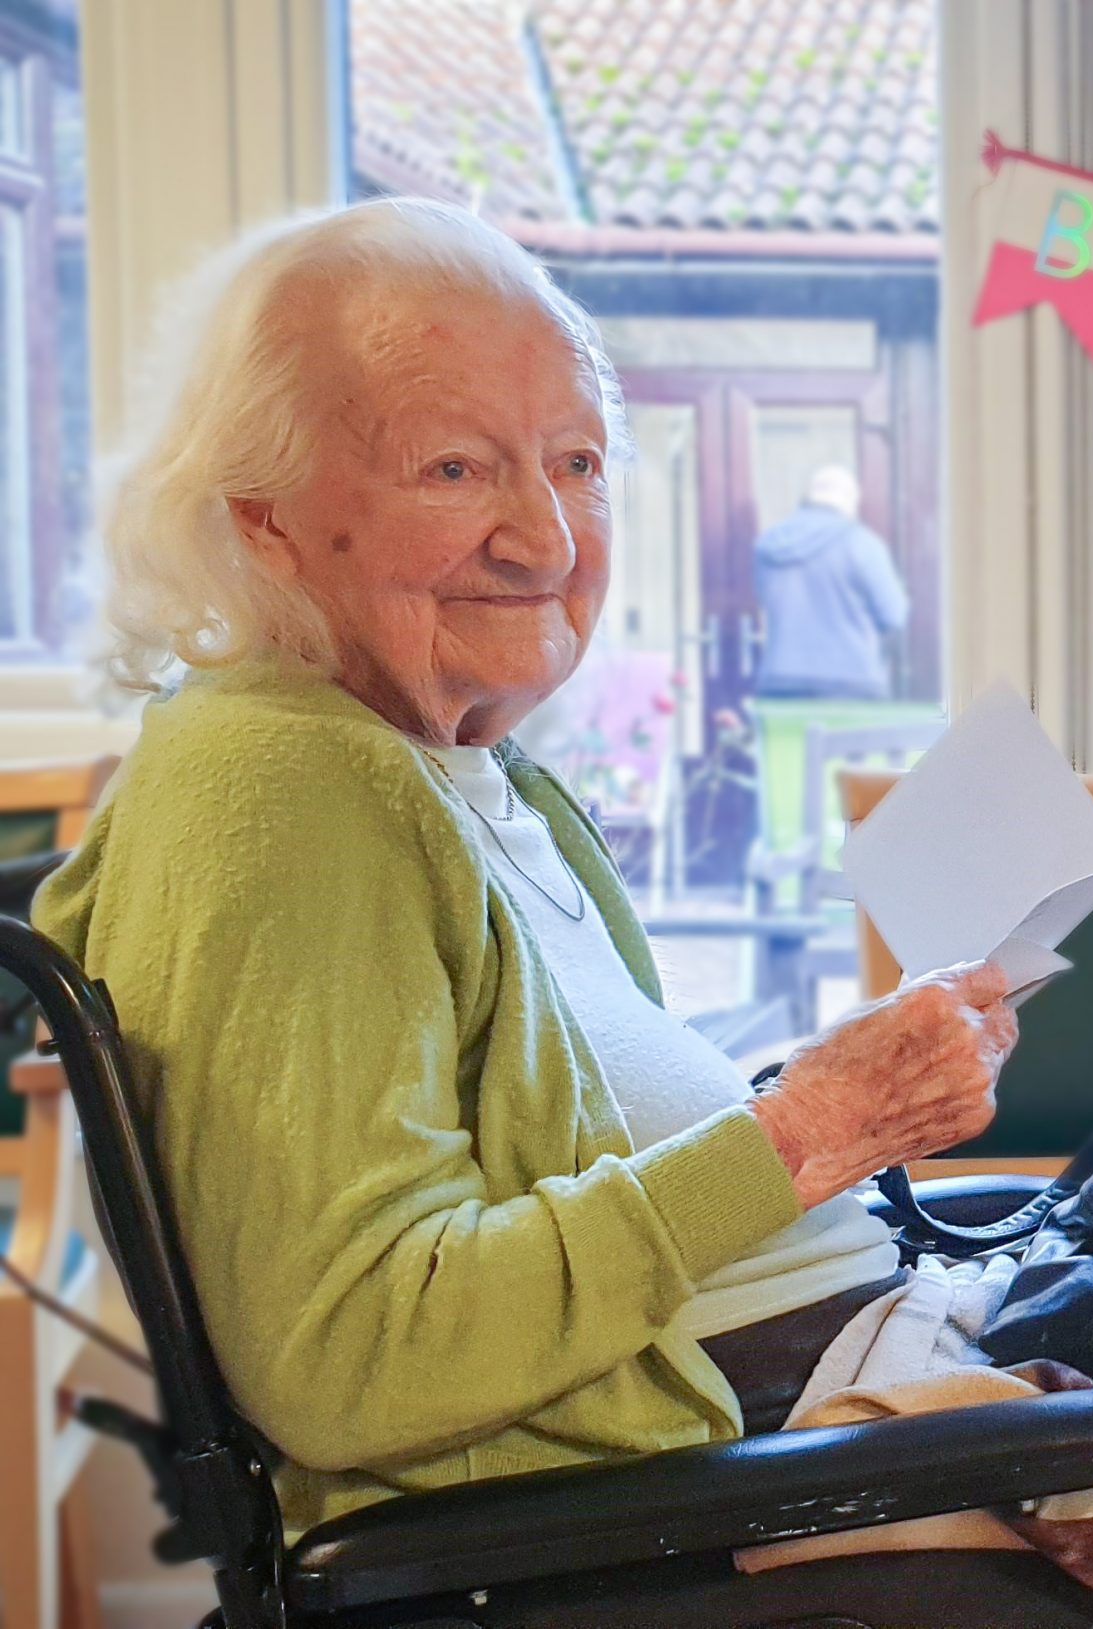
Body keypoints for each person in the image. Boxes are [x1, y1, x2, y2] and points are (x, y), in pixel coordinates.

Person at [36, 197, 1016, 1534]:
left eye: (576, 463)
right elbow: (353, 1353)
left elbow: (569, 1152)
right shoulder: (285, 787)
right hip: (738, 1503)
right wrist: (812, 1130)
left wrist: (823, 1095)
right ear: (261, 515)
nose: (548, 542)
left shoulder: (473, 772)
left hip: (857, 1394)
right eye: (455, 469)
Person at [751, 464, 909, 700]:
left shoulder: (768, 544)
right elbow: (894, 615)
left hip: (781, 680)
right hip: (853, 683)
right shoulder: (863, 544)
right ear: (850, 501)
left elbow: (764, 599)